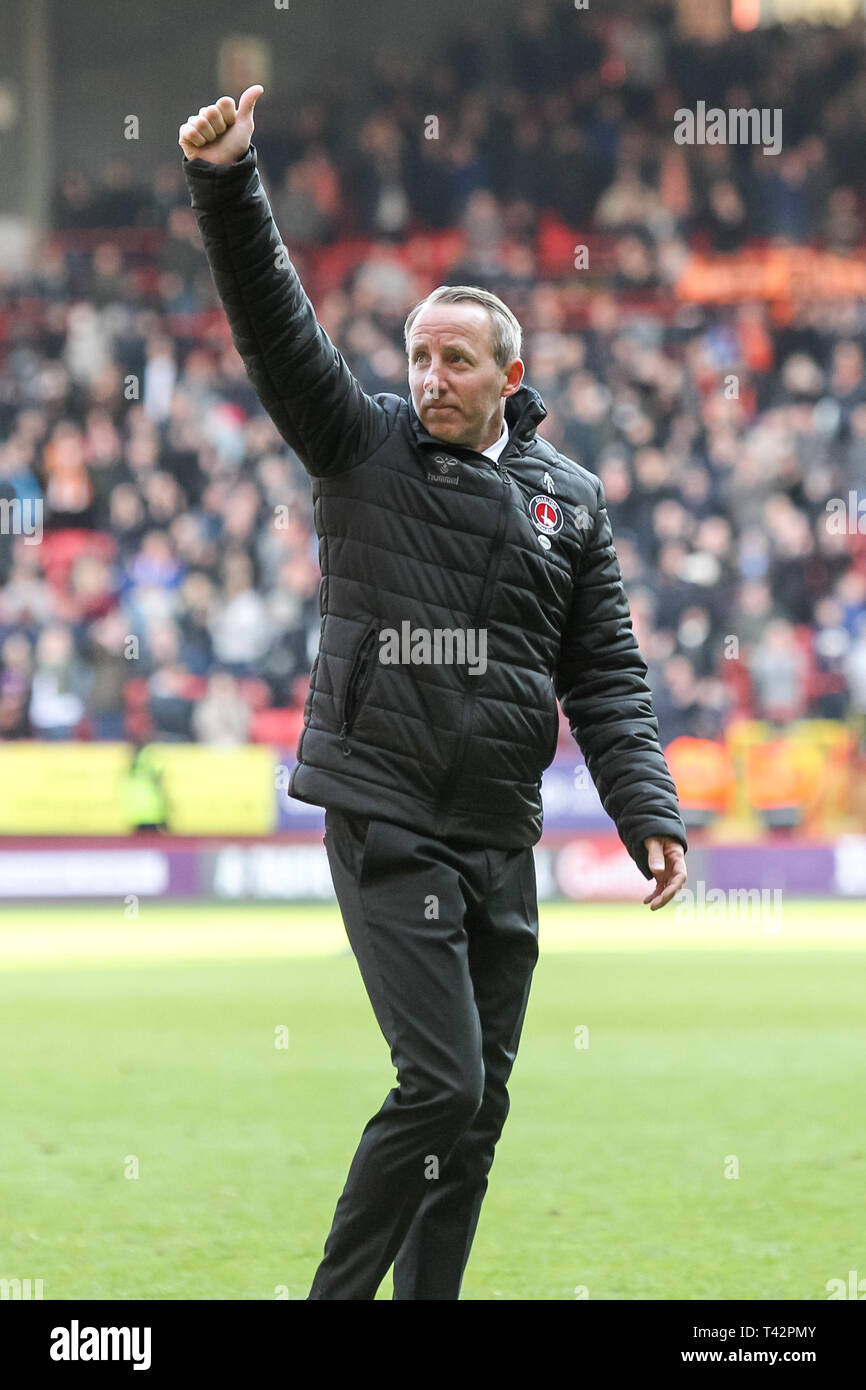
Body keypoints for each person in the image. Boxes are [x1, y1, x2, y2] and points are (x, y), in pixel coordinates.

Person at [179, 88, 688, 1301]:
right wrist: (229, 182)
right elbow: (275, 327)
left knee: (480, 1113)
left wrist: (646, 808)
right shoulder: (358, 445)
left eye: (454, 360)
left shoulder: (570, 497)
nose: (429, 377)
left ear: (510, 374)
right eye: (416, 356)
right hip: (388, 812)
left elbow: (602, 670)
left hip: (497, 826)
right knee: (442, 1083)